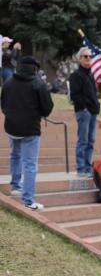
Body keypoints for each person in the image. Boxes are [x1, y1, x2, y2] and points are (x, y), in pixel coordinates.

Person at [1, 56, 54, 211]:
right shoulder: (38, 84)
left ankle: (15, 186)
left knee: (15, 156)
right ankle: (28, 201)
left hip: (12, 128)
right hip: (30, 129)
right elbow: (47, 108)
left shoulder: (9, 82)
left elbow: (3, 104)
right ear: (35, 68)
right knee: (30, 164)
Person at [69, 47, 101, 178]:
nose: (88, 58)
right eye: (85, 56)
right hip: (84, 111)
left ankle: (88, 167)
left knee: (91, 141)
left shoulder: (91, 75)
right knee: (83, 140)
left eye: (90, 56)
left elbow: (94, 93)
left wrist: (96, 106)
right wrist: (84, 107)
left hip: (93, 111)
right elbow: (75, 95)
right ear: (80, 59)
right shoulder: (76, 75)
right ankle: (81, 168)